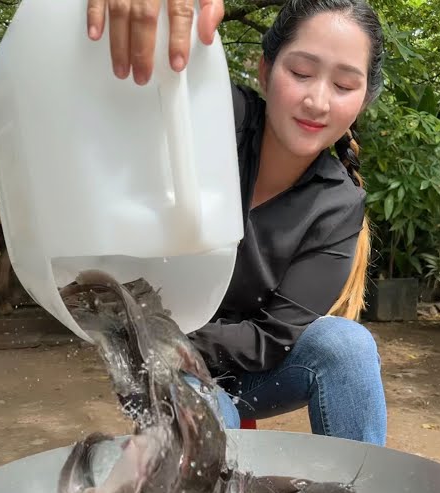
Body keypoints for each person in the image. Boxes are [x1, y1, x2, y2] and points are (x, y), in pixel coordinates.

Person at [87, 0, 389, 445]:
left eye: (344, 84)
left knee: (347, 344)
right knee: (208, 410)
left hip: (255, 373)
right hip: (162, 364)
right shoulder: (214, 116)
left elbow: (274, 338)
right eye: (301, 73)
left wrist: (175, 332)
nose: (317, 100)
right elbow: (140, 77)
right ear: (266, 71)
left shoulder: (338, 204)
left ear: (363, 99)